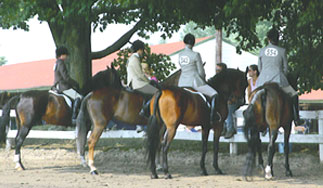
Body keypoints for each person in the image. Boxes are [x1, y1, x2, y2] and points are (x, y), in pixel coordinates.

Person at [256, 28, 304, 126]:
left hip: (262, 80)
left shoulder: (262, 51)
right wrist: (283, 76)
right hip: (278, 79)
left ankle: (250, 113)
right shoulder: (282, 51)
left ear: (268, 39)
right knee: (294, 95)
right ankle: (296, 118)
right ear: (277, 39)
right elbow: (285, 68)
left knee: (254, 97)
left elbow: (259, 68)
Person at [178, 33, 220, 124]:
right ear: (193, 43)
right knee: (214, 94)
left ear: (184, 42)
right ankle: (212, 116)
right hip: (193, 82)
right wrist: (203, 80)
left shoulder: (180, 55)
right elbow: (201, 71)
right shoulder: (196, 55)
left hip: (181, 82)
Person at [126, 40, 159, 117]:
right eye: (143, 50)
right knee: (157, 92)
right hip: (137, 83)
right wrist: (149, 81)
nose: (143, 52)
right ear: (140, 49)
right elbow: (140, 75)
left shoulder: (131, 58)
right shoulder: (135, 59)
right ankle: (145, 110)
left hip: (134, 82)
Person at [53, 46, 82, 124]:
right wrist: (75, 83)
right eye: (66, 55)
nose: (67, 57)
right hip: (63, 86)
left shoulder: (56, 63)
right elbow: (66, 77)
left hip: (57, 85)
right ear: (62, 55)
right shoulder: (61, 63)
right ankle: (74, 117)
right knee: (78, 97)